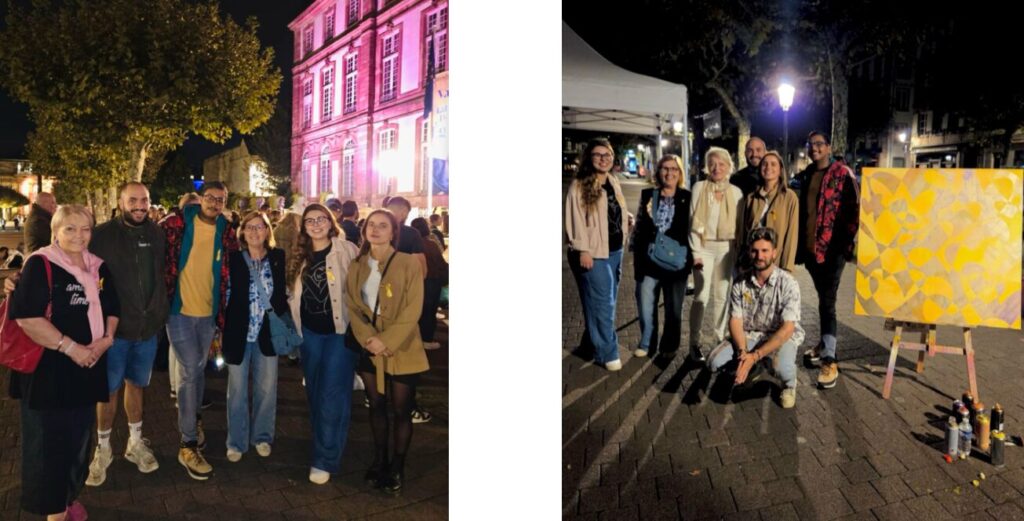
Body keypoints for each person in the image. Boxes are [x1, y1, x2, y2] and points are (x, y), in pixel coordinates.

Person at [8, 205, 119, 521]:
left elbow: (113, 306)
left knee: (78, 440)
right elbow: (27, 318)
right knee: (49, 446)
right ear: (55, 232)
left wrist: (106, 340)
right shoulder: (40, 265)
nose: (79, 235)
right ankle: (54, 511)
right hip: (50, 372)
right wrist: (72, 348)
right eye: (70, 228)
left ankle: (68, 496)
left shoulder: (97, 266)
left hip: (88, 368)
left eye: (85, 228)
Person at [84, 182, 169, 487]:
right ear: (120, 202)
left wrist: (160, 310)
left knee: (137, 385)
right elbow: (69, 261)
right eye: (132, 200)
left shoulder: (157, 233)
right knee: (108, 390)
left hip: (147, 330)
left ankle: (135, 443)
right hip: (114, 331)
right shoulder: (101, 236)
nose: (139, 205)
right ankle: (103, 448)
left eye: (144, 200)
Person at [346, 209, 428, 495]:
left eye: (383, 226)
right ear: (365, 229)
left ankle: (398, 465)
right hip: (370, 348)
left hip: (402, 347)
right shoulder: (358, 265)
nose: (376, 230)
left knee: (401, 410)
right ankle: (379, 459)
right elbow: (352, 305)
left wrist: (387, 340)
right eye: (372, 225)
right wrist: (370, 339)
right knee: (376, 405)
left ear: (394, 232)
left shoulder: (407, 263)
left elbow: (413, 308)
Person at [162, 181, 238, 480]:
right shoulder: (176, 224)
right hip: (179, 311)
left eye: (221, 200)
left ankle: (194, 418)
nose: (215, 204)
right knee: (191, 370)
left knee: (197, 371)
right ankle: (187, 443)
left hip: (208, 314)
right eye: (210, 198)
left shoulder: (227, 230)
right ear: (200, 198)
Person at [286, 203, 360, 484]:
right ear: (303, 227)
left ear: (331, 222)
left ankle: (324, 458)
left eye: (321, 219)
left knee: (332, 395)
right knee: (316, 392)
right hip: (310, 335)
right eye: (309, 221)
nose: (316, 224)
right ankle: (324, 441)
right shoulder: (299, 256)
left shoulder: (347, 251)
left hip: (339, 334)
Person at [706, 227, 804, 408]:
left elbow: (788, 328)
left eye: (765, 251)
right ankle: (753, 368)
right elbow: (735, 320)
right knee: (714, 362)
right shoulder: (740, 282)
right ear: (750, 252)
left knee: (780, 368)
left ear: (774, 253)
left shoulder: (788, 283)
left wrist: (756, 355)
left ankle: (789, 384)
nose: (760, 256)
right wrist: (744, 354)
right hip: (751, 335)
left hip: (780, 337)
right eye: (755, 251)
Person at [794, 131, 860, 389]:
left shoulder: (842, 173)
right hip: (811, 251)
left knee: (829, 301)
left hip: (833, 251)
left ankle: (830, 359)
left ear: (829, 147)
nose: (815, 148)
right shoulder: (807, 174)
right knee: (823, 300)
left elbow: (855, 209)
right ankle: (824, 344)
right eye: (811, 145)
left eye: (819, 144)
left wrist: (844, 245)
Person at [222, 212, 287, 462]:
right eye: (249, 227)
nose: (254, 231)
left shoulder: (278, 258)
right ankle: (236, 442)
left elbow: (284, 293)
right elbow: (225, 294)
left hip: (267, 333)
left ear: (268, 231)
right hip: (238, 332)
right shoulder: (234, 259)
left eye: (259, 227)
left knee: (267, 389)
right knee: (237, 391)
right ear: (242, 232)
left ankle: (262, 436)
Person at [565, 138, 631, 371]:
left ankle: (590, 342)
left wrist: (627, 218)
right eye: (597, 155)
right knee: (603, 302)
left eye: (607, 155)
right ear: (589, 158)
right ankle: (607, 352)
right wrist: (583, 249)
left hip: (615, 251)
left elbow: (613, 208)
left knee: (606, 302)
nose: (603, 159)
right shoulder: (580, 185)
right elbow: (575, 220)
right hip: (592, 252)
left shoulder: (613, 181)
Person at [632, 154, 692, 358]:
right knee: (646, 304)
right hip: (650, 262)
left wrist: (691, 261)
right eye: (665, 168)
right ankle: (647, 342)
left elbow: (694, 230)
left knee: (674, 310)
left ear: (680, 173)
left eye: (674, 169)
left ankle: (669, 346)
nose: (669, 173)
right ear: (658, 172)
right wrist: (637, 265)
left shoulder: (688, 197)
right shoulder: (648, 194)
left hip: (676, 263)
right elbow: (639, 229)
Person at [688, 146, 744, 362]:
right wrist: (695, 253)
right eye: (712, 163)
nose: (716, 167)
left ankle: (719, 341)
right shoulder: (699, 188)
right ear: (706, 167)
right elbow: (693, 222)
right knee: (701, 296)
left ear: (729, 167)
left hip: (727, 249)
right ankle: (695, 342)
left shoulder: (736, 192)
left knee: (723, 297)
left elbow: (739, 227)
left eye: (721, 164)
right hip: (704, 247)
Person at [384, 196, 432, 423]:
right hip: (402, 302)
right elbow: (421, 270)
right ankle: (408, 406)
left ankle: (376, 395)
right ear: (404, 212)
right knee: (404, 351)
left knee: (379, 345)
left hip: (376, 301)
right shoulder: (411, 234)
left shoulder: (372, 228)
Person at [740, 151, 799, 272]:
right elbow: (743, 232)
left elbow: (791, 236)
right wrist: (741, 260)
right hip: (752, 261)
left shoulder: (789, 197)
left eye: (773, 164)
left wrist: (787, 268)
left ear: (780, 169)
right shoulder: (751, 197)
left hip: (775, 264)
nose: (768, 168)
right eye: (764, 164)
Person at [410, 217, 447, 350]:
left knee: (416, 312)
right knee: (429, 313)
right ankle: (426, 339)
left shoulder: (409, 245)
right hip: (432, 282)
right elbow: (441, 264)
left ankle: (416, 339)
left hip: (414, 283)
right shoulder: (431, 244)